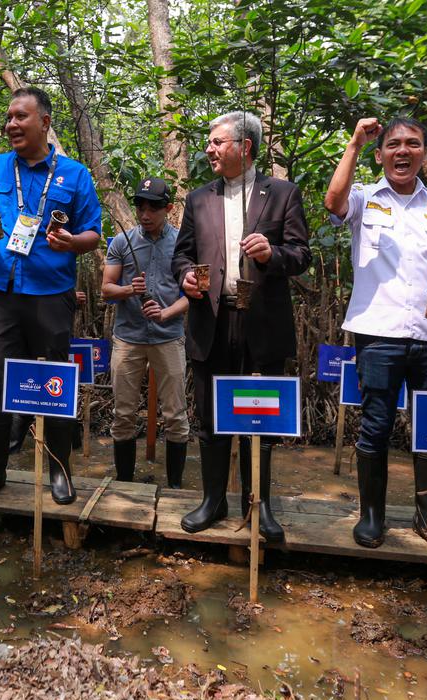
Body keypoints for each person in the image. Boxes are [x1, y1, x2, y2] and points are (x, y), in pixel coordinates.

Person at [324, 116, 427, 554]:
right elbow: (332, 203)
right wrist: (354, 142)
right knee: (375, 424)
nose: (403, 151)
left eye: (413, 144)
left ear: (424, 156)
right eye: (393, 144)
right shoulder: (364, 198)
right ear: (380, 154)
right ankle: (372, 516)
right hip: (378, 331)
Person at [172, 110, 311, 538]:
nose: (208, 149)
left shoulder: (283, 194)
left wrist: (272, 255)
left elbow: (302, 255)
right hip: (210, 322)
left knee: (261, 416)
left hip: (261, 324)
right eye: (209, 142)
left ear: (244, 147)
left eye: (216, 142)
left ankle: (260, 506)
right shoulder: (198, 199)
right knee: (211, 417)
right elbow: (181, 254)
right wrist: (184, 278)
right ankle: (212, 501)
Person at [0, 87, 103, 505]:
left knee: (56, 383)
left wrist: (72, 242)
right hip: (0, 294)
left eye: (20, 117)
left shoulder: (75, 174)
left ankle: (60, 473)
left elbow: (94, 235)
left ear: (44, 122)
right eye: (8, 118)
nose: (10, 125)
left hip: (51, 293)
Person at [101, 177, 189, 487]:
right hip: (129, 338)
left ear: (168, 208)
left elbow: (193, 293)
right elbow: (106, 290)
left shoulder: (182, 243)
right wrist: (128, 289)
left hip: (169, 337)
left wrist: (166, 312)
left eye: (153, 208)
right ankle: (124, 483)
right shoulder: (121, 242)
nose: (145, 214)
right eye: (140, 207)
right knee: (123, 414)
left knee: (176, 416)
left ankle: (175, 488)